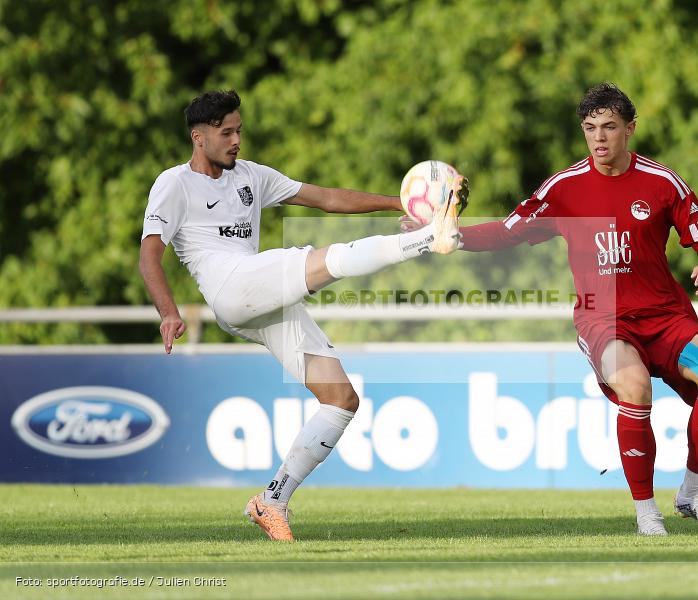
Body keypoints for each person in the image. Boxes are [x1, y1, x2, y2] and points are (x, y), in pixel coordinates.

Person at [139, 90, 464, 542]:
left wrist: (402, 203)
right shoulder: (173, 184)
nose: (236, 140)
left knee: (341, 400)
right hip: (231, 287)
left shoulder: (250, 176)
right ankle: (430, 239)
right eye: (225, 132)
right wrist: (169, 311)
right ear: (198, 137)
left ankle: (271, 501)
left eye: (239, 131)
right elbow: (149, 255)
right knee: (328, 260)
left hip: (260, 298)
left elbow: (328, 198)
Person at [458, 83, 698, 536]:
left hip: (666, 316)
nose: (599, 138)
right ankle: (647, 512)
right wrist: (453, 236)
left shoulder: (662, 181)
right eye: (590, 129)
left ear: (630, 129)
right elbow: (507, 231)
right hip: (603, 318)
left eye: (609, 127)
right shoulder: (564, 189)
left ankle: (693, 493)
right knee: (635, 384)